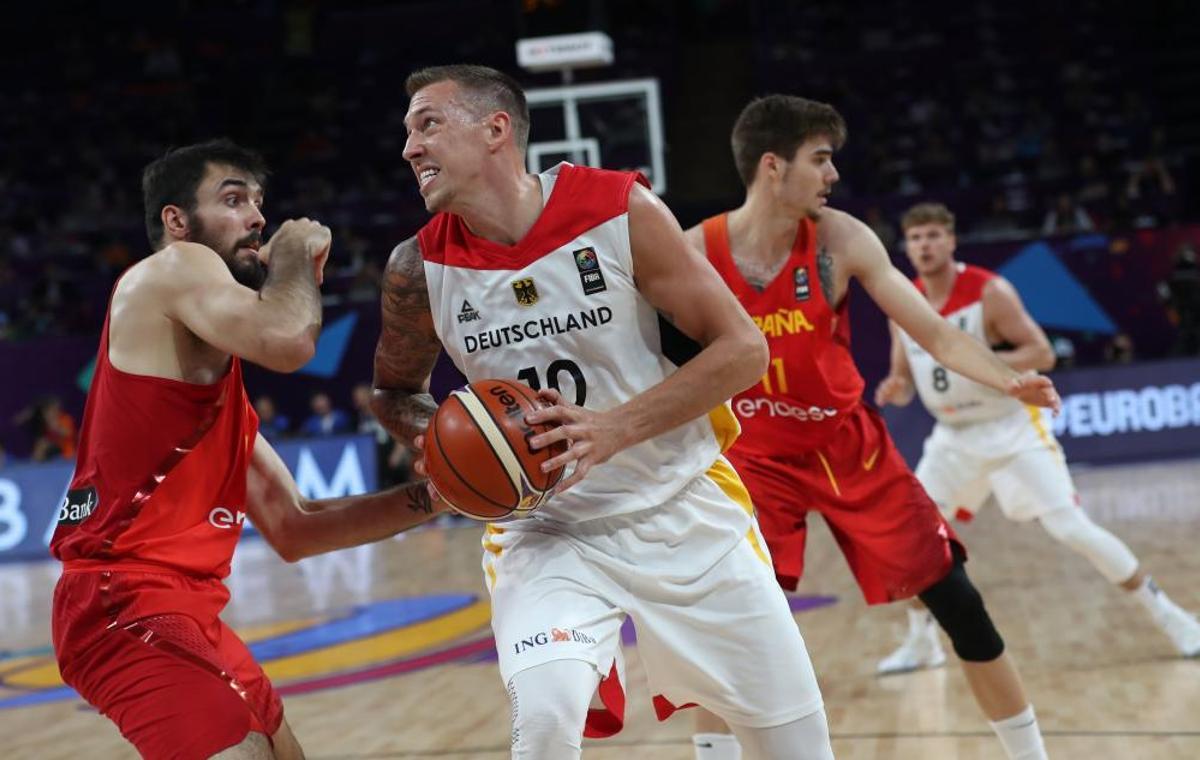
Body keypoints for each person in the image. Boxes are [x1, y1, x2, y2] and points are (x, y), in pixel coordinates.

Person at [372, 65, 835, 760]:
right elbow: (394, 391)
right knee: (547, 723)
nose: (409, 148)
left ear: (496, 129)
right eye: (408, 132)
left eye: (427, 124)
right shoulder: (418, 268)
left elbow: (742, 350)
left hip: (680, 506)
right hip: (546, 531)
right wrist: (437, 443)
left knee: (797, 746)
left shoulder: (619, 209)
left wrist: (614, 428)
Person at [683, 95, 1059, 760]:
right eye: (821, 159)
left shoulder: (842, 240)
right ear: (773, 166)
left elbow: (937, 334)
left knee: (959, 602)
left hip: (846, 445)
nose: (832, 175)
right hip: (753, 457)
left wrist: (1005, 380)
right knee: (726, 626)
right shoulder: (695, 252)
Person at [50, 139, 449, 760]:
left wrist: (436, 496)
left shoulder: (216, 396)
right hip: (122, 602)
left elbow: (297, 527)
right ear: (177, 222)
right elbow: (289, 339)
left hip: (185, 610)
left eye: (260, 202)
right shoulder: (174, 265)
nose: (258, 217)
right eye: (233, 200)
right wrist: (291, 256)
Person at [874, 201, 1200, 671]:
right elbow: (902, 377)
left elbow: (1042, 352)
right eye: (915, 237)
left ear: (951, 240)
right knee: (913, 539)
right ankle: (921, 642)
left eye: (932, 235)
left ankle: (1172, 617)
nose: (923, 245)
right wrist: (896, 387)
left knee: (1071, 528)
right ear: (905, 246)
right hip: (952, 438)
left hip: (1010, 429)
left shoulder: (989, 291)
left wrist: (983, 359)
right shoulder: (902, 302)